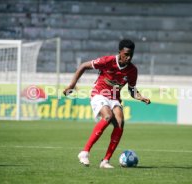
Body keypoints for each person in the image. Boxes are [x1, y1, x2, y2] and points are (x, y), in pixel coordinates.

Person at [63, 39, 151, 169]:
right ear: (119, 52)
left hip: (114, 97)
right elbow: (83, 66)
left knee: (120, 123)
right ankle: (85, 152)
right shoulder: (107, 61)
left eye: (131, 55)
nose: (128, 57)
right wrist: (71, 85)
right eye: (126, 54)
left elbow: (132, 89)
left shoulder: (132, 70)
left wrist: (140, 97)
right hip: (99, 93)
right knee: (108, 116)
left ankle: (105, 161)